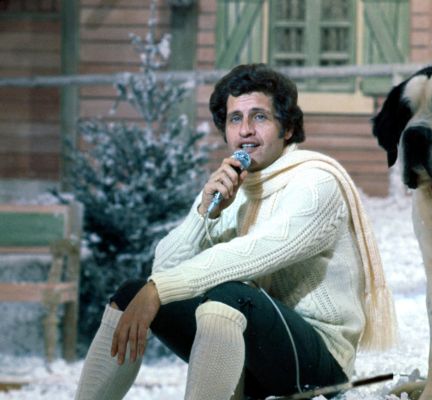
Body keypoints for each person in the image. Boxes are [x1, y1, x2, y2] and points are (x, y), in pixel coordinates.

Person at [75, 63, 397, 400]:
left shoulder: (316, 183)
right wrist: (204, 213)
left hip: (318, 362)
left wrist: (159, 288)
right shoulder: (234, 187)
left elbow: (253, 253)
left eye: (259, 117)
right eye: (235, 119)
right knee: (132, 294)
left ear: (287, 128)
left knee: (230, 293)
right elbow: (164, 268)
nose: (245, 130)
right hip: (249, 352)